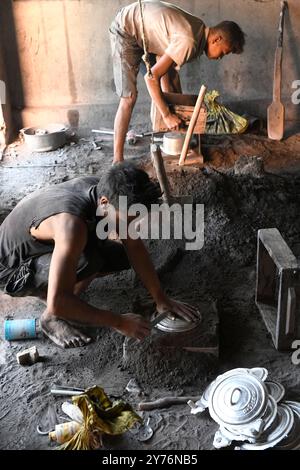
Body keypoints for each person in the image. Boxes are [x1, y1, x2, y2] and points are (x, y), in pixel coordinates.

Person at [0, 162, 199, 348]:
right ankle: (51, 318)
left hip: (44, 243)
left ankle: (63, 289)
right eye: (127, 218)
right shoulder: (71, 226)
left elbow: (134, 246)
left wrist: (160, 298)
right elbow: (59, 301)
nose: (129, 224)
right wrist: (119, 321)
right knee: (88, 261)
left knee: (119, 256)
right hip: (11, 269)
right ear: (104, 203)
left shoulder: (107, 189)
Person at [110, 1, 246, 164]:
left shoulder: (199, 30)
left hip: (145, 28)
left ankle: (177, 138)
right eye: (223, 53)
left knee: (169, 79)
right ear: (217, 39)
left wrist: (181, 117)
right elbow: (151, 77)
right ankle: (117, 161)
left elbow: (169, 71)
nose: (220, 58)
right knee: (128, 98)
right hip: (127, 29)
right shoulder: (189, 41)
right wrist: (167, 115)